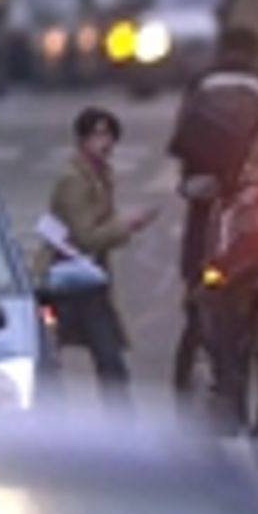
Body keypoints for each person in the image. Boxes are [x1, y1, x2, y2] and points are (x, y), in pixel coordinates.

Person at [164, 26, 258, 397]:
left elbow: (183, 142)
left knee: (197, 277)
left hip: (204, 198)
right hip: (245, 202)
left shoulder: (204, 83)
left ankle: (194, 323)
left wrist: (193, 178)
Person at [37, 106, 158, 405]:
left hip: (87, 277)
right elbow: (86, 237)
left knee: (108, 360)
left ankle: (117, 419)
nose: (104, 143)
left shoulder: (100, 176)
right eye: (96, 136)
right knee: (88, 358)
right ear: (82, 140)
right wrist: (126, 225)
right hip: (67, 280)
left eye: (109, 136)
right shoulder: (75, 180)